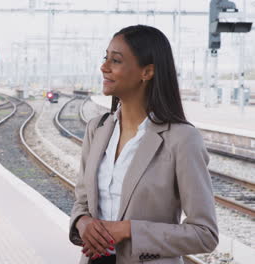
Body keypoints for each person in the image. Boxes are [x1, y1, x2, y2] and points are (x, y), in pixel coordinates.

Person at [69, 25, 218, 264]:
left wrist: (130, 230)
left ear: (147, 72)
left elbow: (205, 234)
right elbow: (82, 202)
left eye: (115, 61)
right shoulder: (97, 129)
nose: (104, 67)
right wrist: (82, 222)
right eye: (105, 58)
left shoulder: (181, 139)